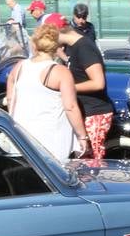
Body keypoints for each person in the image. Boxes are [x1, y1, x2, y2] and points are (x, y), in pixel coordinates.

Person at [5, 23, 87, 162]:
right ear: (57, 47)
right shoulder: (60, 72)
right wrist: (82, 137)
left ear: (34, 45)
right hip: (51, 143)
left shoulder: (19, 67)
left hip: (21, 141)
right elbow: (70, 107)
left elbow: (11, 99)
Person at [57, 20, 114, 160]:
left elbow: (98, 82)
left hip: (94, 112)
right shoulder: (72, 46)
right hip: (84, 109)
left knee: (92, 160)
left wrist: (68, 88)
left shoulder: (84, 47)